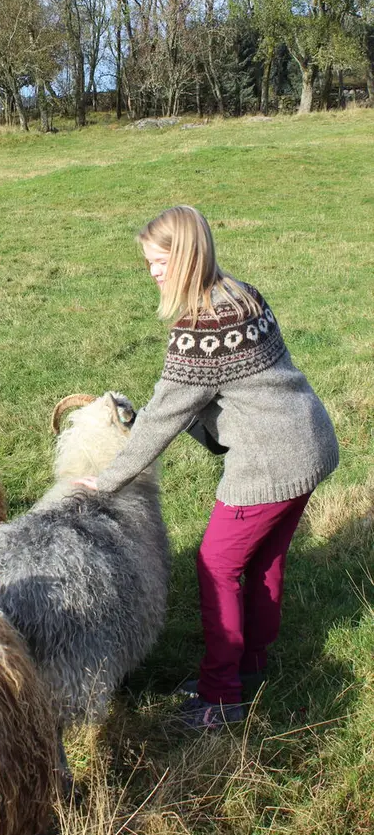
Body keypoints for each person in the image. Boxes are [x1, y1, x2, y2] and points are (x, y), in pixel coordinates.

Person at [74, 205, 339, 729]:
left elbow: (160, 420)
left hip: (270, 463)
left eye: (157, 261)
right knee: (263, 562)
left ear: (185, 257)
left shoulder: (199, 328)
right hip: (311, 442)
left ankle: (220, 700)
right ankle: (250, 667)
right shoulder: (240, 293)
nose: (151, 272)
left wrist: (105, 481)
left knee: (217, 566)